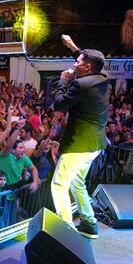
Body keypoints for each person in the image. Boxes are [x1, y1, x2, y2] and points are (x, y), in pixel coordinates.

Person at [52, 35, 109, 239]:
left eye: (78, 62)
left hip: (79, 145)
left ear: (86, 67)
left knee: (59, 184)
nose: (74, 63)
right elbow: (90, 60)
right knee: (77, 181)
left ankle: (67, 231)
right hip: (95, 143)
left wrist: (63, 81)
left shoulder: (79, 85)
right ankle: (90, 223)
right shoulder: (103, 77)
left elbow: (59, 104)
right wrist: (73, 47)